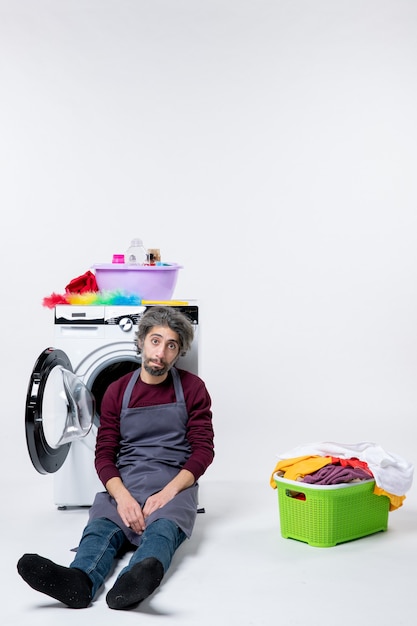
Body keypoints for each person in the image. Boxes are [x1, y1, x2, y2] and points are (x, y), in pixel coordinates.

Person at [17, 306, 214, 610]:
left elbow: (203, 450)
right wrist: (121, 497)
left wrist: (167, 494)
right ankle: (79, 581)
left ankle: (134, 580)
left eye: (171, 345)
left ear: (179, 352)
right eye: (155, 340)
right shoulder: (117, 392)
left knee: (162, 531)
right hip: (127, 482)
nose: (160, 352)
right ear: (142, 341)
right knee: (101, 529)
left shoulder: (192, 388)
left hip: (174, 484)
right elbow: (104, 452)